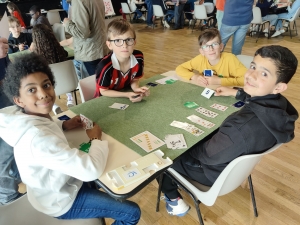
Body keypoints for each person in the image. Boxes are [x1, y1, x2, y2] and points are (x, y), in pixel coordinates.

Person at [0, 53, 141, 224]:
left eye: (46, 85)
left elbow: (45, 131)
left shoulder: (23, 115)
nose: (43, 94)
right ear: (18, 100)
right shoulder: (37, 139)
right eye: (32, 90)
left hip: (51, 189)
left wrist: (63, 126)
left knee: (101, 181)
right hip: (61, 202)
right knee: (132, 212)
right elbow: (91, 170)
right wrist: (95, 138)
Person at [161, 45, 298, 217]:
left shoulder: (240, 128)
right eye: (253, 66)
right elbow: (259, 99)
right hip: (235, 164)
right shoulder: (279, 108)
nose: (250, 75)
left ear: (279, 87)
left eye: (264, 73)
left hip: (211, 172)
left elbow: (206, 155)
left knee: (161, 155)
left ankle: (173, 199)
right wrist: (237, 92)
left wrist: (188, 142)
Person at [94, 19, 150, 102]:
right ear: (109, 45)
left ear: (134, 42)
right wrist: (127, 95)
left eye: (128, 40)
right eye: (117, 41)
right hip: (104, 101)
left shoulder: (139, 57)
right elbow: (103, 91)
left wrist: (136, 89)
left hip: (125, 95)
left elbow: (134, 79)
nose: (124, 45)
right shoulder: (105, 66)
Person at [176, 28, 247, 86]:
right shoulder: (200, 59)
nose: (211, 49)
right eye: (206, 46)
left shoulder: (230, 59)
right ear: (202, 51)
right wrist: (195, 77)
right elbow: (180, 68)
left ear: (221, 47)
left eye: (214, 44)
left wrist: (220, 81)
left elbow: (247, 79)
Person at [30, 24, 74, 112]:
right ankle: (70, 97)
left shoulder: (36, 57)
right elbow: (66, 54)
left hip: (50, 87)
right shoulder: (59, 50)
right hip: (68, 83)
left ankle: (53, 105)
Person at [0, 37, 22, 205]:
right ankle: (8, 200)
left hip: (5, 87)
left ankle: (14, 183)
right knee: (3, 154)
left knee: (13, 144)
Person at [63, 0, 109, 76]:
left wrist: (67, 23)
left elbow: (82, 33)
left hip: (90, 51)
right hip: (101, 46)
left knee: (96, 83)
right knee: (103, 81)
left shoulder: (78, 1)